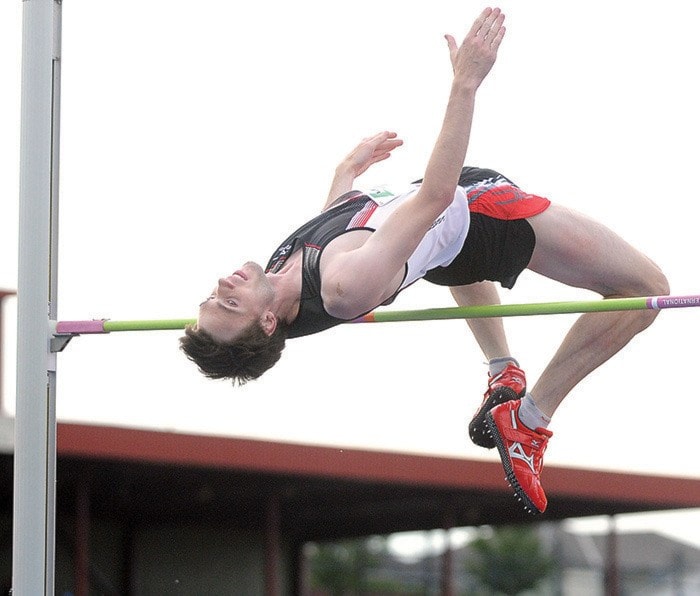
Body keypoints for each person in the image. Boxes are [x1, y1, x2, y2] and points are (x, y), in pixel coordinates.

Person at [180, 7, 669, 514]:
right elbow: (435, 197)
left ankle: (503, 371)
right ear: (263, 320)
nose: (222, 284)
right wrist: (466, 85)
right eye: (228, 303)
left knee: (437, 247)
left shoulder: (281, 269)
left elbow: (338, 235)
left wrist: (344, 173)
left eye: (213, 296)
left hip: (449, 243)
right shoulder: (346, 290)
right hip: (481, 217)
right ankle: (529, 419)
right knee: (644, 290)